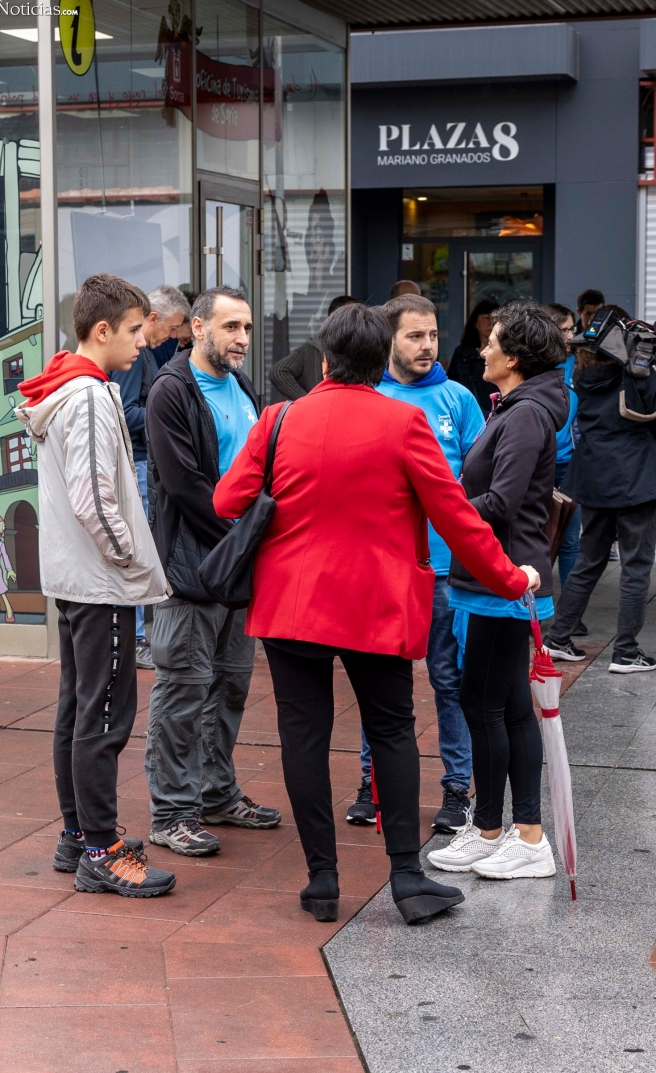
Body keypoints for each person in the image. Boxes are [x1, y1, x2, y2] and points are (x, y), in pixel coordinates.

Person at [213, 303, 540, 926]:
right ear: (379, 359)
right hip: (376, 606)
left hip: (290, 606)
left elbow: (228, 498)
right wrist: (509, 579)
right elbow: (456, 518)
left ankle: (322, 881)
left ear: (327, 360)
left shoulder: (279, 418)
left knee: (302, 737)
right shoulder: (404, 422)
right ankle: (408, 879)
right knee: (391, 730)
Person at [16, 273, 176, 897]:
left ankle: (78, 836)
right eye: (136, 330)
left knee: (79, 711)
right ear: (102, 330)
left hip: (81, 578)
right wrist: (131, 565)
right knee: (103, 717)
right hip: (99, 581)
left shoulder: (74, 386)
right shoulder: (84, 395)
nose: (144, 341)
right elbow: (96, 499)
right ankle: (101, 850)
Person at [429, 302, 569, 881]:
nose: (481, 350)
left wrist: (438, 505)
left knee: (483, 704)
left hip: (503, 579)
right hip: (499, 575)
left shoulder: (525, 414)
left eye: (491, 343)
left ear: (513, 358)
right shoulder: (520, 406)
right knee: (506, 706)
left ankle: (501, 835)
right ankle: (516, 835)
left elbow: (503, 503)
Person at [144, 285, 281, 858]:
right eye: (230, 328)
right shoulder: (170, 390)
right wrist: (241, 540)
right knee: (182, 691)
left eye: (246, 328)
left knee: (228, 687)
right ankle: (171, 812)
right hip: (192, 566)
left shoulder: (242, 386)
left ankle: (216, 794)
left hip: (236, 566)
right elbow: (186, 487)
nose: (242, 339)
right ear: (197, 328)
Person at [346, 294, 484, 834]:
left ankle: (456, 791)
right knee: (381, 681)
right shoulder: (368, 396)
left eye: (431, 335)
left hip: (447, 572)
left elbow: (478, 481)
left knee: (450, 681)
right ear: (388, 341)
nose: (427, 346)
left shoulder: (458, 399)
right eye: (414, 336)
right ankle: (372, 782)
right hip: (384, 569)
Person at [543, 338, 656, 673]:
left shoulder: (582, 375)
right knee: (636, 565)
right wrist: (643, 370)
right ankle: (626, 652)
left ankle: (558, 637)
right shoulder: (636, 375)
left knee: (589, 560)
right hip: (636, 476)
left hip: (593, 474)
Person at [110, 285, 191, 670]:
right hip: (138, 463)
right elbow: (125, 413)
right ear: (153, 319)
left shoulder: (145, 357)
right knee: (140, 548)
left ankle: (140, 635)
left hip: (142, 463)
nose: (173, 337)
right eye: (173, 328)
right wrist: (165, 416)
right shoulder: (135, 359)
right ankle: (140, 637)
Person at [543, 303, 585, 617]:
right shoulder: (534, 365)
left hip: (569, 465)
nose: (571, 335)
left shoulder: (579, 362)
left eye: (572, 328)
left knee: (570, 541)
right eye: (565, 329)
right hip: (537, 466)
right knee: (536, 541)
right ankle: (536, 607)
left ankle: (570, 615)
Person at [268, 295, 358, 400]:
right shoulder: (313, 348)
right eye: (353, 318)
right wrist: (307, 400)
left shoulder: (357, 350)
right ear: (333, 319)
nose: (357, 324)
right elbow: (278, 372)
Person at [447, 300, 499, 415]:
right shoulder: (462, 353)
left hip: (499, 412)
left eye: (494, 318)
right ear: (475, 323)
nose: (491, 322)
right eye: (486, 318)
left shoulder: (505, 352)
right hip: (469, 412)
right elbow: (451, 383)